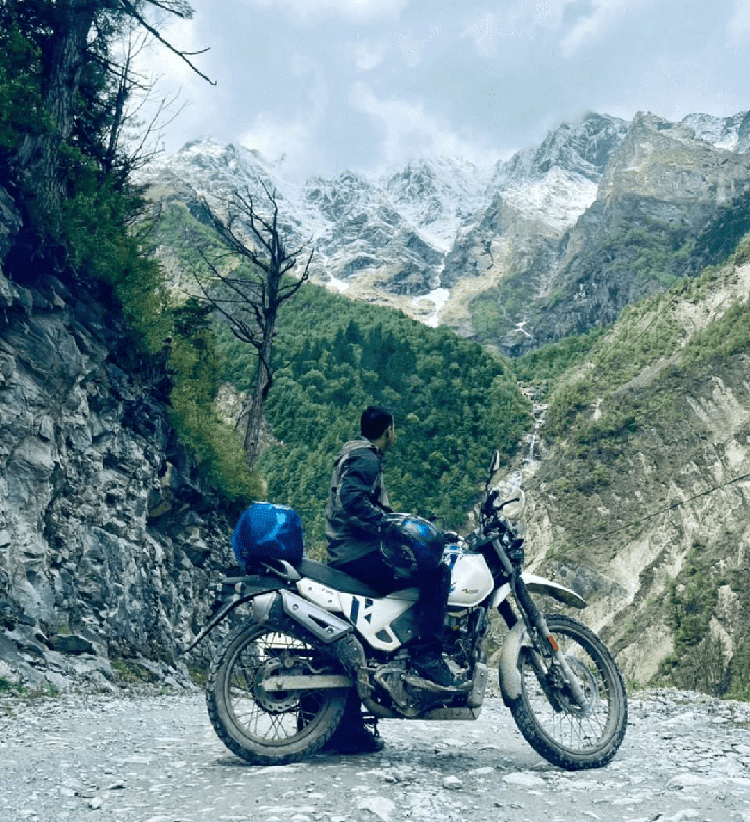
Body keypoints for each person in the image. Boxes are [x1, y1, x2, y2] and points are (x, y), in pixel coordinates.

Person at [323, 406, 466, 754]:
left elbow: (366, 504)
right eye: (394, 429)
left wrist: (401, 524)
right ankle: (427, 654)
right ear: (388, 430)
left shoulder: (351, 453)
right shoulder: (367, 458)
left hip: (346, 549)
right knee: (436, 573)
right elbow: (353, 501)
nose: (396, 434)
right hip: (356, 552)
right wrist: (389, 527)